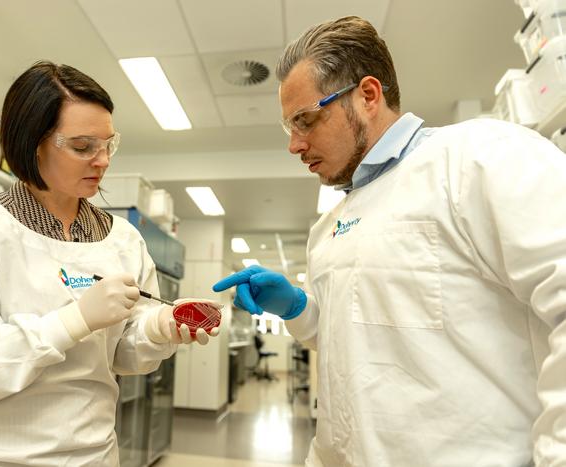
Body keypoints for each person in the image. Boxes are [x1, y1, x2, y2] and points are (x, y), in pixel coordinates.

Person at [213, 16, 566, 467]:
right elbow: (355, 340)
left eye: (305, 120)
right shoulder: (329, 227)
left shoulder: (479, 157)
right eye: (289, 127)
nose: (295, 145)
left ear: (367, 96)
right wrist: (300, 309)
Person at [0, 61, 217, 466]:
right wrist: (70, 322)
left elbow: (121, 356)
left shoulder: (123, 240)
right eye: (83, 147)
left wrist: (157, 327)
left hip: (93, 455)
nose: (102, 161)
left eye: (108, 144)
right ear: (33, 144)